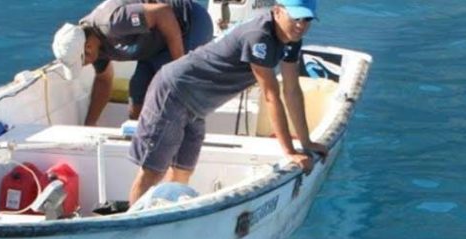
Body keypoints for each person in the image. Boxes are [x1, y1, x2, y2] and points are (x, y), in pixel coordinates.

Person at [126, 0, 328, 205]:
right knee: (151, 172)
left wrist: (306, 142)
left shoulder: (292, 41)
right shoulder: (259, 37)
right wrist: (290, 152)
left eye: (306, 19)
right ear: (277, 11)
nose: (301, 25)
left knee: (183, 170)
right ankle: (132, 229)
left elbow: (292, 90)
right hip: (173, 92)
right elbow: (271, 95)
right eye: (295, 18)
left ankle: (163, 216)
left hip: (198, 107)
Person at [52, 0, 213, 126]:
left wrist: (179, 66)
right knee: (137, 93)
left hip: (189, 24)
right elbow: (103, 80)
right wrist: (90, 123)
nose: (84, 65)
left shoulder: (113, 23)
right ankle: (141, 142)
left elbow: (163, 13)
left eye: (82, 62)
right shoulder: (94, 48)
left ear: (88, 47)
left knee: (165, 88)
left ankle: (176, 146)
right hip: (154, 44)